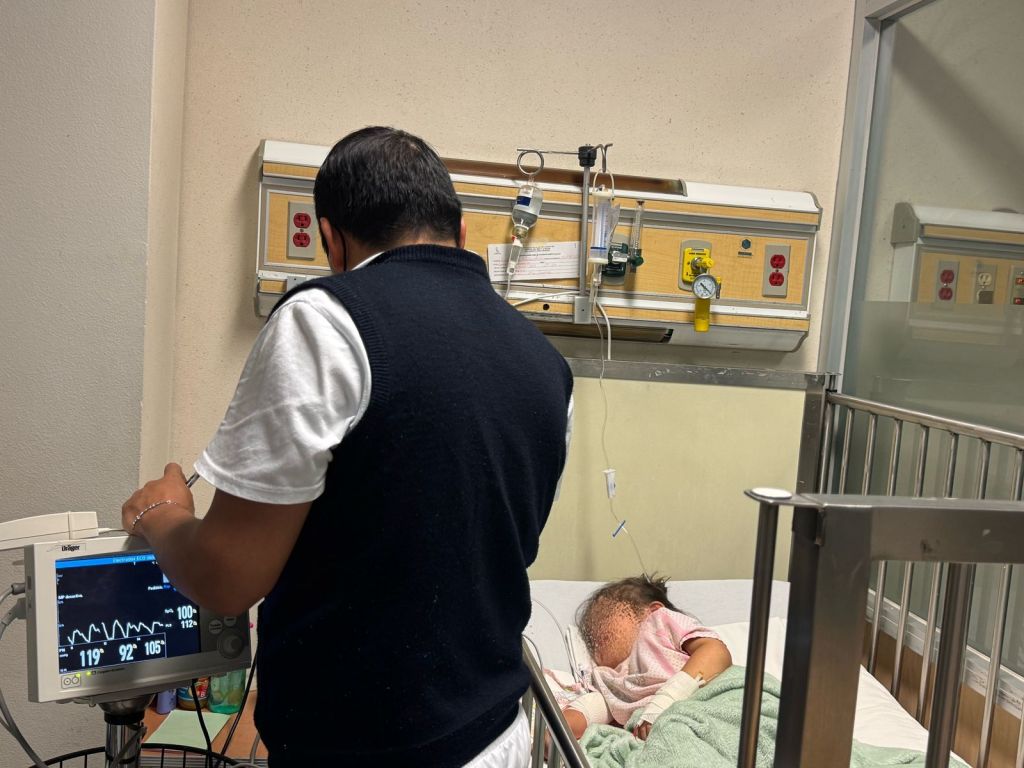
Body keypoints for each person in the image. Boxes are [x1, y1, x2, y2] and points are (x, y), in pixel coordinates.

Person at [121, 126, 574, 767]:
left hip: (364, 749)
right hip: (500, 736)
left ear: (330, 239)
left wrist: (162, 515)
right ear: (461, 231)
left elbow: (226, 579)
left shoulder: (324, 323)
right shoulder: (547, 365)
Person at [561, 575, 732, 741]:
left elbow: (715, 651)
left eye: (604, 618)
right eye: (589, 633)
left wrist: (665, 701)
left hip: (715, 707)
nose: (595, 634)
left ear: (653, 610)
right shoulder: (607, 677)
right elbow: (596, 707)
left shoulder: (659, 623)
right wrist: (557, 732)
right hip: (674, 737)